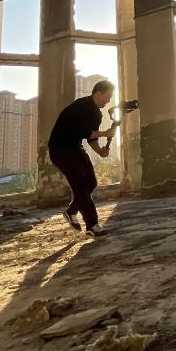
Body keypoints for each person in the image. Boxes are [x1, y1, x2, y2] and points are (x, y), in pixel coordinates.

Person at [47, 80, 118, 237]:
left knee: (91, 183)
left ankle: (71, 211)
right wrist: (105, 133)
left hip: (75, 147)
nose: (108, 101)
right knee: (80, 185)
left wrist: (100, 151)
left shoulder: (97, 114)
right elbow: (83, 131)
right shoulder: (81, 106)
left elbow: (91, 138)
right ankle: (92, 226)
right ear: (98, 93)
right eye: (107, 97)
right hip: (60, 149)